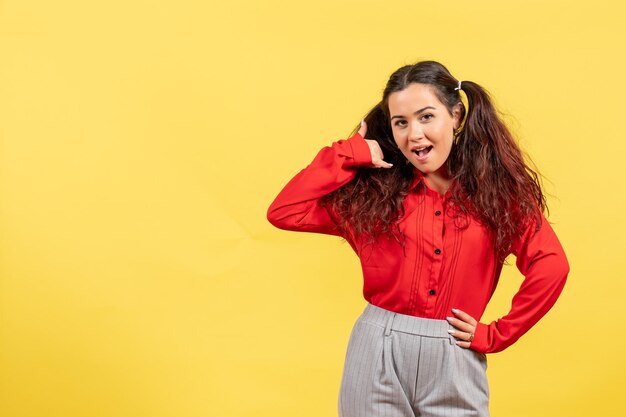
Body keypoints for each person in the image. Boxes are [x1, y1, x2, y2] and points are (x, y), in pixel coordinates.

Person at [266, 60, 569, 417]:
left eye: (426, 117)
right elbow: (285, 211)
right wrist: (351, 153)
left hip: (455, 356)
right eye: (401, 123)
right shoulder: (372, 197)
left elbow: (551, 264)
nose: (414, 135)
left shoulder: (497, 197)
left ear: (456, 115)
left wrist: (496, 335)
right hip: (377, 349)